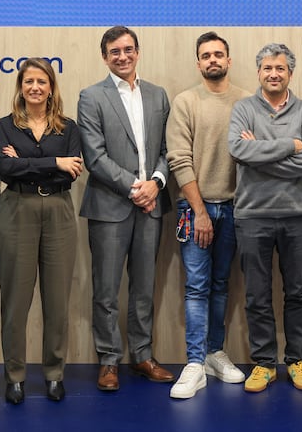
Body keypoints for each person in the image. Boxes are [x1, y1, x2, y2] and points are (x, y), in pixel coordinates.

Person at [78, 26, 173, 392]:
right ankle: (108, 361)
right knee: (106, 289)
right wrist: (137, 188)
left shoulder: (157, 95)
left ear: (138, 52)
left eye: (128, 50)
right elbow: (95, 156)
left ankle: (143, 355)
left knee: (144, 287)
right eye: (114, 51)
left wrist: (157, 183)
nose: (122, 56)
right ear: (105, 56)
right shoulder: (91, 96)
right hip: (110, 205)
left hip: (151, 205)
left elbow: (168, 149)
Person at [228, 43, 302, 393]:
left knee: (298, 292)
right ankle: (264, 363)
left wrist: (261, 155)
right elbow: (238, 150)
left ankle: (297, 360)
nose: (273, 74)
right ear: (258, 72)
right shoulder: (243, 109)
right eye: (267, 68)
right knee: (256, 294)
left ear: (290, 73)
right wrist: (290, 145)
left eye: (280, 69)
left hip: (299, 216)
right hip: (253, 216)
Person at [0, 58, 84, 404]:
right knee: (15, 299)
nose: (35, 87)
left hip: (59, 210)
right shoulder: (4, 126)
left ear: (51, 88)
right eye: (28, 81)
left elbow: (71, 172)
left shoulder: (68, 128)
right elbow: (6, 169)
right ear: (20, 87)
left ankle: (54, 374)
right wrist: (53, 162)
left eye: (41, 82)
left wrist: (28, 164)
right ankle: (14, 376)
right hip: (17, 209)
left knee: (57, 299)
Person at [165, 32, 250, 399]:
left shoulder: (248, 102)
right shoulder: (185, 102)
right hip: (195, 208)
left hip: (236, 209)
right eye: (205, 55)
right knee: (197, 286)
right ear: (198, 63)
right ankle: (195, 363)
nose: (212, 60)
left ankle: (215, 353)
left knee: (220, 285)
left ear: (229, 60)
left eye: (218, 54)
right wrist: (199, 211)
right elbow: (179, 159)